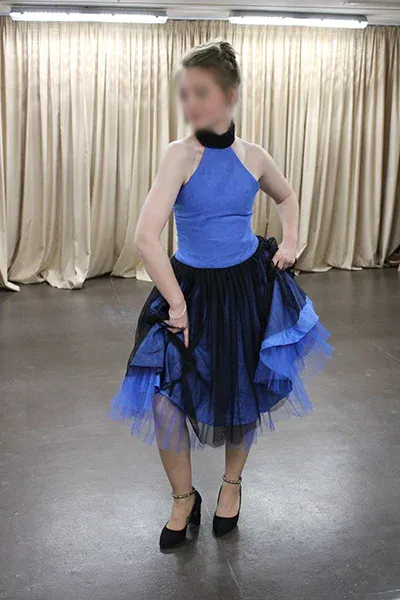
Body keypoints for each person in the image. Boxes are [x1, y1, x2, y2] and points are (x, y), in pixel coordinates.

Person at [108, 39, 333, 550]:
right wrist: (177, 302)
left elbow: (287, 195)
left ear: (230, 95)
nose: (190, 103)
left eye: (202, 92)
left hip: (246, 288)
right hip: (187, 288)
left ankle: (232, 484)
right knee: (165, 398)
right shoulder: (178, 155)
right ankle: (183, 497)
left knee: (240, 392)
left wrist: (291, 241)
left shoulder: (253, 156)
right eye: (185, 92)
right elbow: (146, 237)